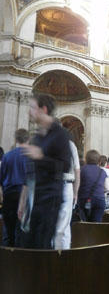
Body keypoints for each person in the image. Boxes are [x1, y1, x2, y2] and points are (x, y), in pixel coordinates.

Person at [18, 94, 71, 249]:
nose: (29, 112)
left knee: (42, 245)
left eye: (33, 108)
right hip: (34, 199)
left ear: (44, 109)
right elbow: (30, 174)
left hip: (50, 199)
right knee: (27, 243)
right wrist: (23, 201)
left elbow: (65, 167)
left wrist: (41, 157)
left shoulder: (60, 134)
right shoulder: (36, 138)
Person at [0, 129, 29, 246]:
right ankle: (20, 260)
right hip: (25, 196)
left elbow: (0, 179)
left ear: (16, 139)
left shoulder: (7, 156)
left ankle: (6, 261)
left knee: (8, 231)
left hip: (8, 195)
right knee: (22, 231)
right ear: (28, 139)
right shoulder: (30, 158)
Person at [54, 139, 80, 250]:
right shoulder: (69, 144)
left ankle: (54, 254)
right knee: (64, 226)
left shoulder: (43, 141)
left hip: (49, 185)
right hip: (65, 184)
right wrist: (75, 192)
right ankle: (63, 256)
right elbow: (77, 170)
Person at [78, 150, 109, 222]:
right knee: (96, 224)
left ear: (86, 159)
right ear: (98, 160)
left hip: (84, 199)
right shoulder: (102, 171)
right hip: (99, 199)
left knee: (84, 223)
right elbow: (108, 187)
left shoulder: (82, 170)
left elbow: (77, 184)